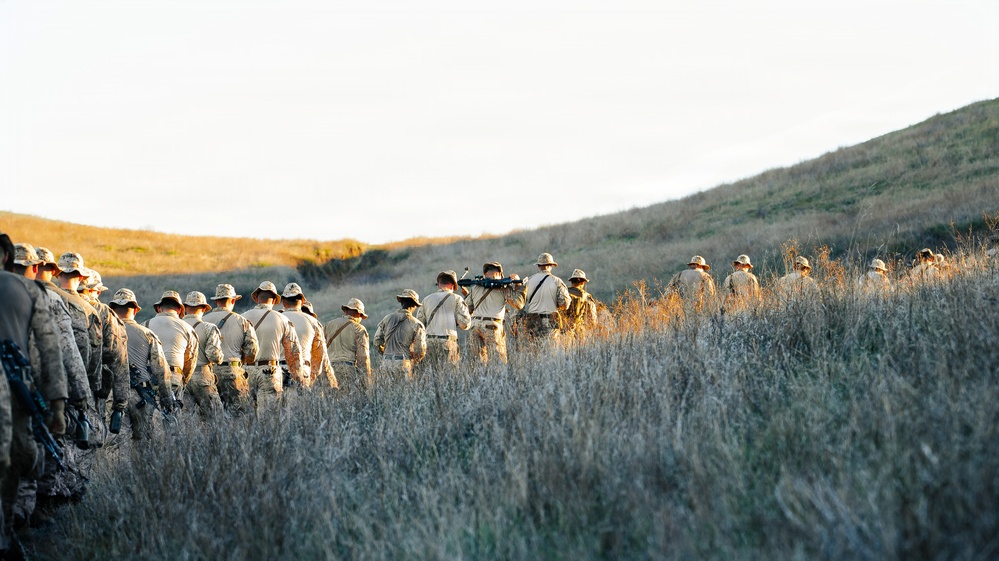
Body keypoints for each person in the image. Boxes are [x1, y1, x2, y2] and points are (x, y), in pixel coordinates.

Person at [0, 243, 68, 552]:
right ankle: (9, 531)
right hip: (15, 390)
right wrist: (57, 406)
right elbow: (50, 350)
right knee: (19, 456)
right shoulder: (30, 291)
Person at [109, 289, 174, 440]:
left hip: (112, 395)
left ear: (112, 309)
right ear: (136, 310)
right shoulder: (147, 334)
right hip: (140, 395)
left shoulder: (104, 332)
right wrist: (166, 399)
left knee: (114, 443)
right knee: (145, 441)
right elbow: (161, 370)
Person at [77, 269, 130, 440]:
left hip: (56, 385)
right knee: (90, 441)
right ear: (95, 290)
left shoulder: (55, 300)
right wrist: (120, 404)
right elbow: (118, 358)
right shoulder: (104, 313)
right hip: (93, 387)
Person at [242, 282, 303, 411]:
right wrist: (298, 377)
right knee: (268, 416)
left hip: (245, 371)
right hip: (269, 372)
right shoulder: (282, 319)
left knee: (247, 415)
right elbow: (292, 352)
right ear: (275, 300)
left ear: (256, 298)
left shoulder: (242, 318)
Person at [201, 284, 258, 412]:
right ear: (233, 300)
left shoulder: (203, 321)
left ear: (216, 301)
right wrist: (242, 360)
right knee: (238, 413)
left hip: (209, 373)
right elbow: (252, 351)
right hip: (233, 373)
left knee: (213, 415)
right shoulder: (242, 321)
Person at [464, 262, 524, 365]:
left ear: (485, 274)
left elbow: (467, 309)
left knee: (476, 363)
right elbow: (519, 304)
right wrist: (519, 285)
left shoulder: (475, 288)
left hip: (474, 326)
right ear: (499, 274)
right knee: (497, 362)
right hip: (492, 326)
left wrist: (467, 296)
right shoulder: (504, 288)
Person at [145, 291, 197, 410]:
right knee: (172, 417)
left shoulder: (145, 326)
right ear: (179, 309)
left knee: (152, 416)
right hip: (174, 377)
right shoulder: (188, 328)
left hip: (150, 376)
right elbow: (191, 360)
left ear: (159, 308)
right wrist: (183, 380)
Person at [280, 283, 337, 390]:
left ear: (283, 302)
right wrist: (312, 378)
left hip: (276, 371)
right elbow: (320, 356)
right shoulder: (313, 322)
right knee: (298, 406)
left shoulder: (276, 319)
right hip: (302, 371)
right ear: (302, 302)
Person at [417, 271, 471, 372]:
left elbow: (419, 325)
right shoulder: (457, 299)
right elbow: (465, 324)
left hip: (428, 343)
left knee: (430, 377)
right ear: (453, 286)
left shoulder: (426, 300)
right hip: (448, 343)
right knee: (449, 377)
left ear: (439, 284)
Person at [182, 292, 224, 419]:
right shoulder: (209, 328)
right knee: (214, 417)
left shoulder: (176, 326)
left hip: (181, 378)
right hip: (202, 376)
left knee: (185, 420)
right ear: (204, 308)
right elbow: (214, 356)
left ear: (185, 308)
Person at [372, 289, 427, 380]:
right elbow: (420, 350)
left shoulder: (387, 318)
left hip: (386, 362)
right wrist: (413, 361)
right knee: (404, 392)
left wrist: (385, 353)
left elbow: (377, 341)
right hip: (404, 364)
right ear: (414, 305)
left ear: (401, 302)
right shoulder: (416, 324)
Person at [518, 253, 570, 341]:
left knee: (534, 351)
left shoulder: (528, 281)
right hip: (551, 322)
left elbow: (519, 304)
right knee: (551, 352)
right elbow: (564, 303)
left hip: (533, 321)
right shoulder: (557, 281)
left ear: (538, 266)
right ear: (551, 266)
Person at [324, 298, 372, 392]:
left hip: (329, 369)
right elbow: (363, 357)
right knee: (346, 402)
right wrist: (366, 381)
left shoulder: (328, 325)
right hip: (347, 370)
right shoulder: (359, 329)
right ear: (359, 314)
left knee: (330, 401)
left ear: (345, 311)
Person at [562, 269, 598, 338]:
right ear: (583, 283)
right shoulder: (587, 297)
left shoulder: (563, 294)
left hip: (562, 331)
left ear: (571, 281)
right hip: (579, 332)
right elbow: (593, 320)